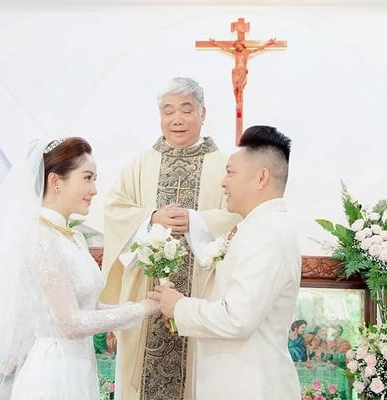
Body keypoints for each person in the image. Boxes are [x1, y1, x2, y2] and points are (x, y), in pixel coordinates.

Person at [0, 137, 159, 399]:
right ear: (55, 181)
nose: (95, 189)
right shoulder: (39, 237)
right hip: (54, 374)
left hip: (80, 368)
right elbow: (71, 323)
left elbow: (89, 308)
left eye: (94, 179)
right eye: (87, 178)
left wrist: (144, 306)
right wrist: (141, 310)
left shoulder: (73, 237)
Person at [101, 77, 239, 400]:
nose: (177, 119)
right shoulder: (140, 163)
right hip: (144, 297)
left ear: (202, 113)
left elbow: (237, 216)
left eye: (186, 110)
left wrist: (196, 221)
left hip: (200, 296)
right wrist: (150, 217)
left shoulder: (224, 166)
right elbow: (114, 209)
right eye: (168, 111)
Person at [150, 125, 302, 399]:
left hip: (251, 387)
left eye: (230, 173)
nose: (223, 183)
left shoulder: (266, 232)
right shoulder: (257, 226)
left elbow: (238, 318)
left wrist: (179, 306)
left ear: (261, 178)